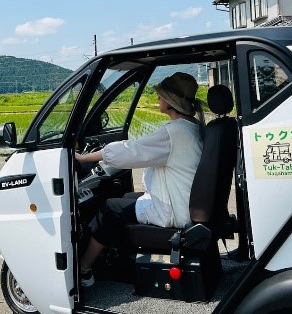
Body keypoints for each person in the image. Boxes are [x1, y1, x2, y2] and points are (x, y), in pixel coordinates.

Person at [75, 72, 203, 287]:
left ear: (170, 102)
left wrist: (83, 158)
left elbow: (132, 151)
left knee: (109, 208)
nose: (158, 99)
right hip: (183, 201)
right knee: (126, 196)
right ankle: (122, 256)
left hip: (174, 211)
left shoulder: (174, 132)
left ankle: (84, 269)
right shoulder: (193, 127)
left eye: (161, 96)